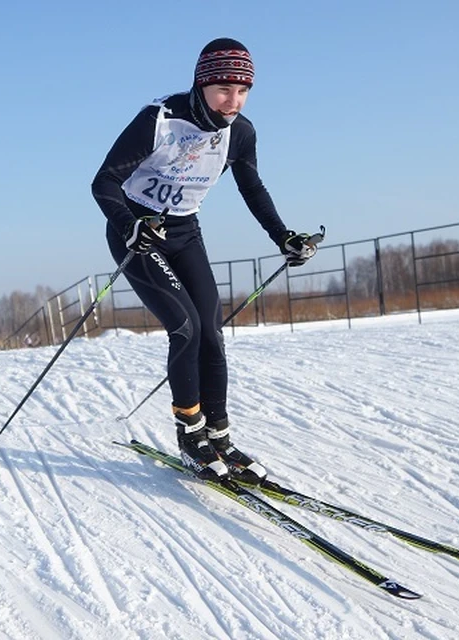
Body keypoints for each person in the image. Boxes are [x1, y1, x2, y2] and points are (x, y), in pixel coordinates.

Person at [92, 38, 319, 482]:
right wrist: (129, 224)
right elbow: (104, 181)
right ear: (201, 83)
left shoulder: (241, 132)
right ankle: (190, 433)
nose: (233, 102)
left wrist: (283, 236)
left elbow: (252, 188)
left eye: (243, 91)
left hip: (184, 232)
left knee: (211, 333)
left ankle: (220, 437)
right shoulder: (159, 120)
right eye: (223, 90)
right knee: (186, 327)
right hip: (139, 233)